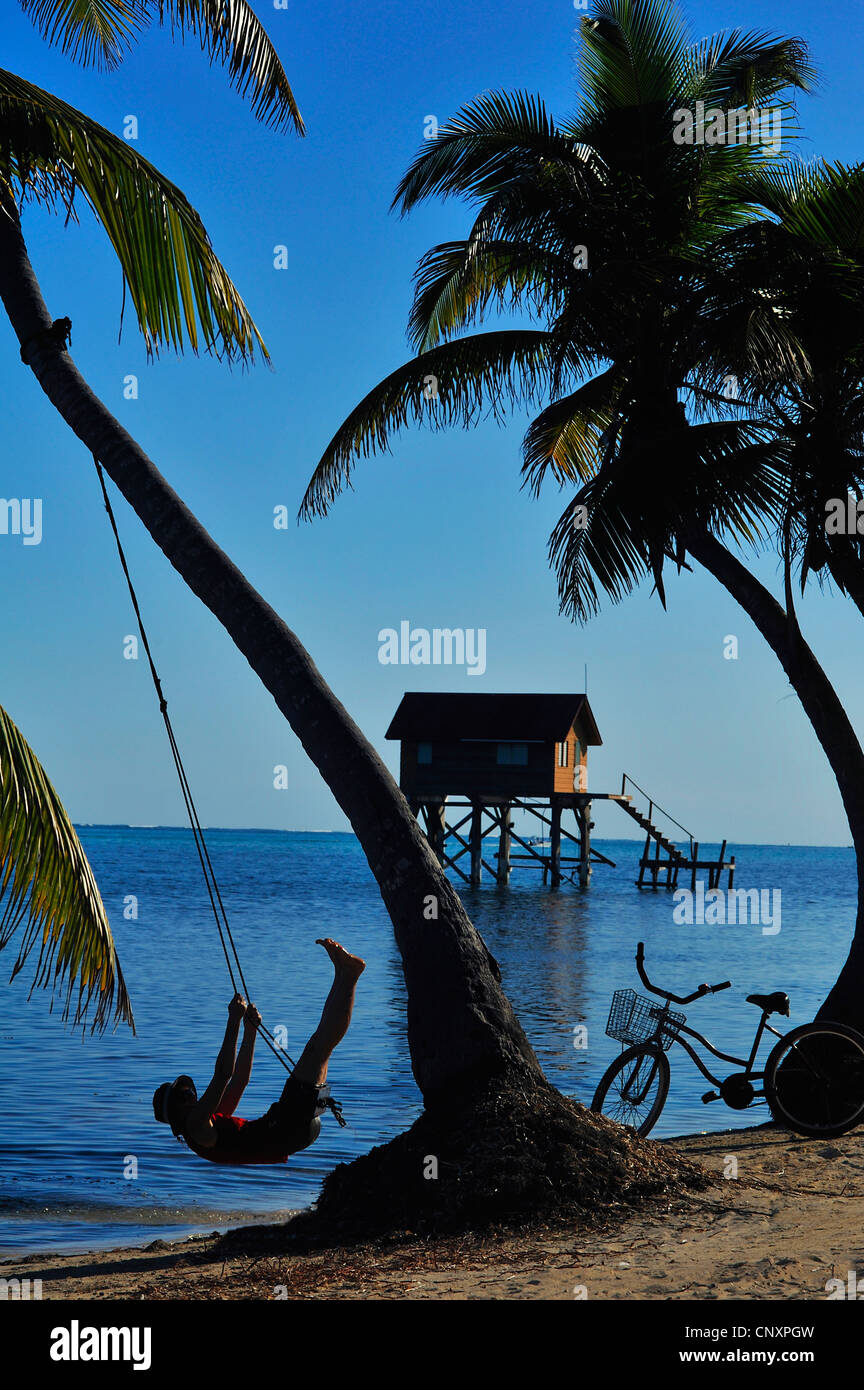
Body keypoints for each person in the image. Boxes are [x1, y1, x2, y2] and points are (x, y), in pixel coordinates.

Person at [152, 938, 364, 1165]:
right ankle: (349, 975)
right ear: (177, 1112)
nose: (193, 1095)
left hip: (292, 1130)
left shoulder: (208, 1120)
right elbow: (224, 1075)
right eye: (185, 1095)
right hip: (286, 1129)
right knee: (318, 1047)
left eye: (190, 1091)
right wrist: (233, 1021)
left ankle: (342, 974)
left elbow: (240, 1080)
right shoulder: (195, 1126)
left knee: (320, 1047)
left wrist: (249, 1031)